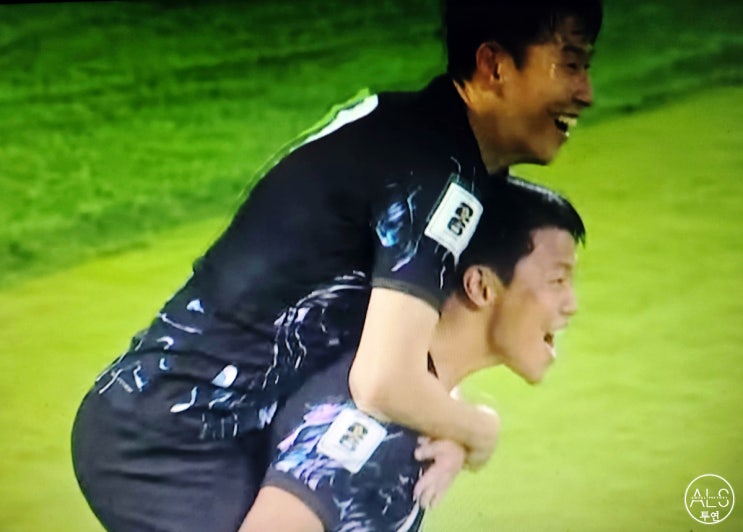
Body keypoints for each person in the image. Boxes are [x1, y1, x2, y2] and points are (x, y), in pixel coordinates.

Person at [71, 1, 602, 530]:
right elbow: (382, 382)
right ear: (494, 66)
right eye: (570, 64)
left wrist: (444, 413)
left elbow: (424, 326)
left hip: (197, 418)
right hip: (172, 440)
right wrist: (477, 430)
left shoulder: (433, 144)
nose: (586, 92)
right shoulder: (436, 176)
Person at [241, 176, 585, 531]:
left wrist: (465, 426)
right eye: (557, 281)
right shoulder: (371, 423)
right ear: (480, 286)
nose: (572, 305)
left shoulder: (415, 400)